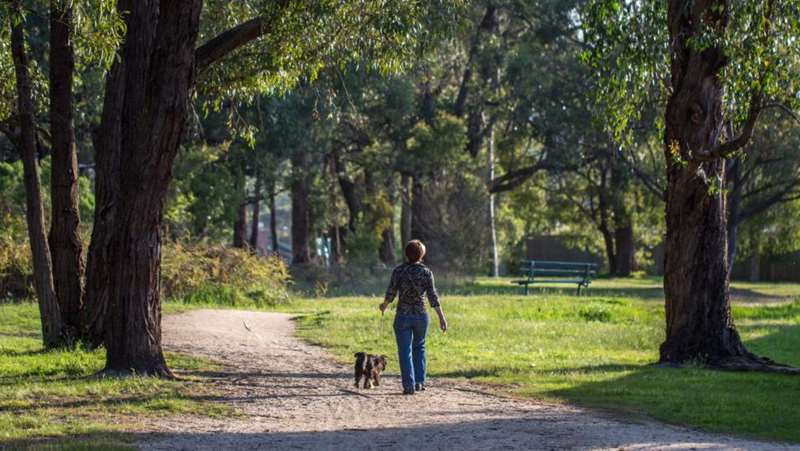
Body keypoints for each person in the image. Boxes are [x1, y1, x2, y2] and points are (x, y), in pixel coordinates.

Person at [379, 240, 447, 395]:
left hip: (402, 315)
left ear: (406, 254)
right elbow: (433, 297)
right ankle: (419, 382)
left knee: (404, 351)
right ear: (421, 255)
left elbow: (391, 292)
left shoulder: (398, 271)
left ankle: (408, 386)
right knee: (419, 347)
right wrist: (442, 317)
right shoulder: (426, 272)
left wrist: (384, 305)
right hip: (421, 316)